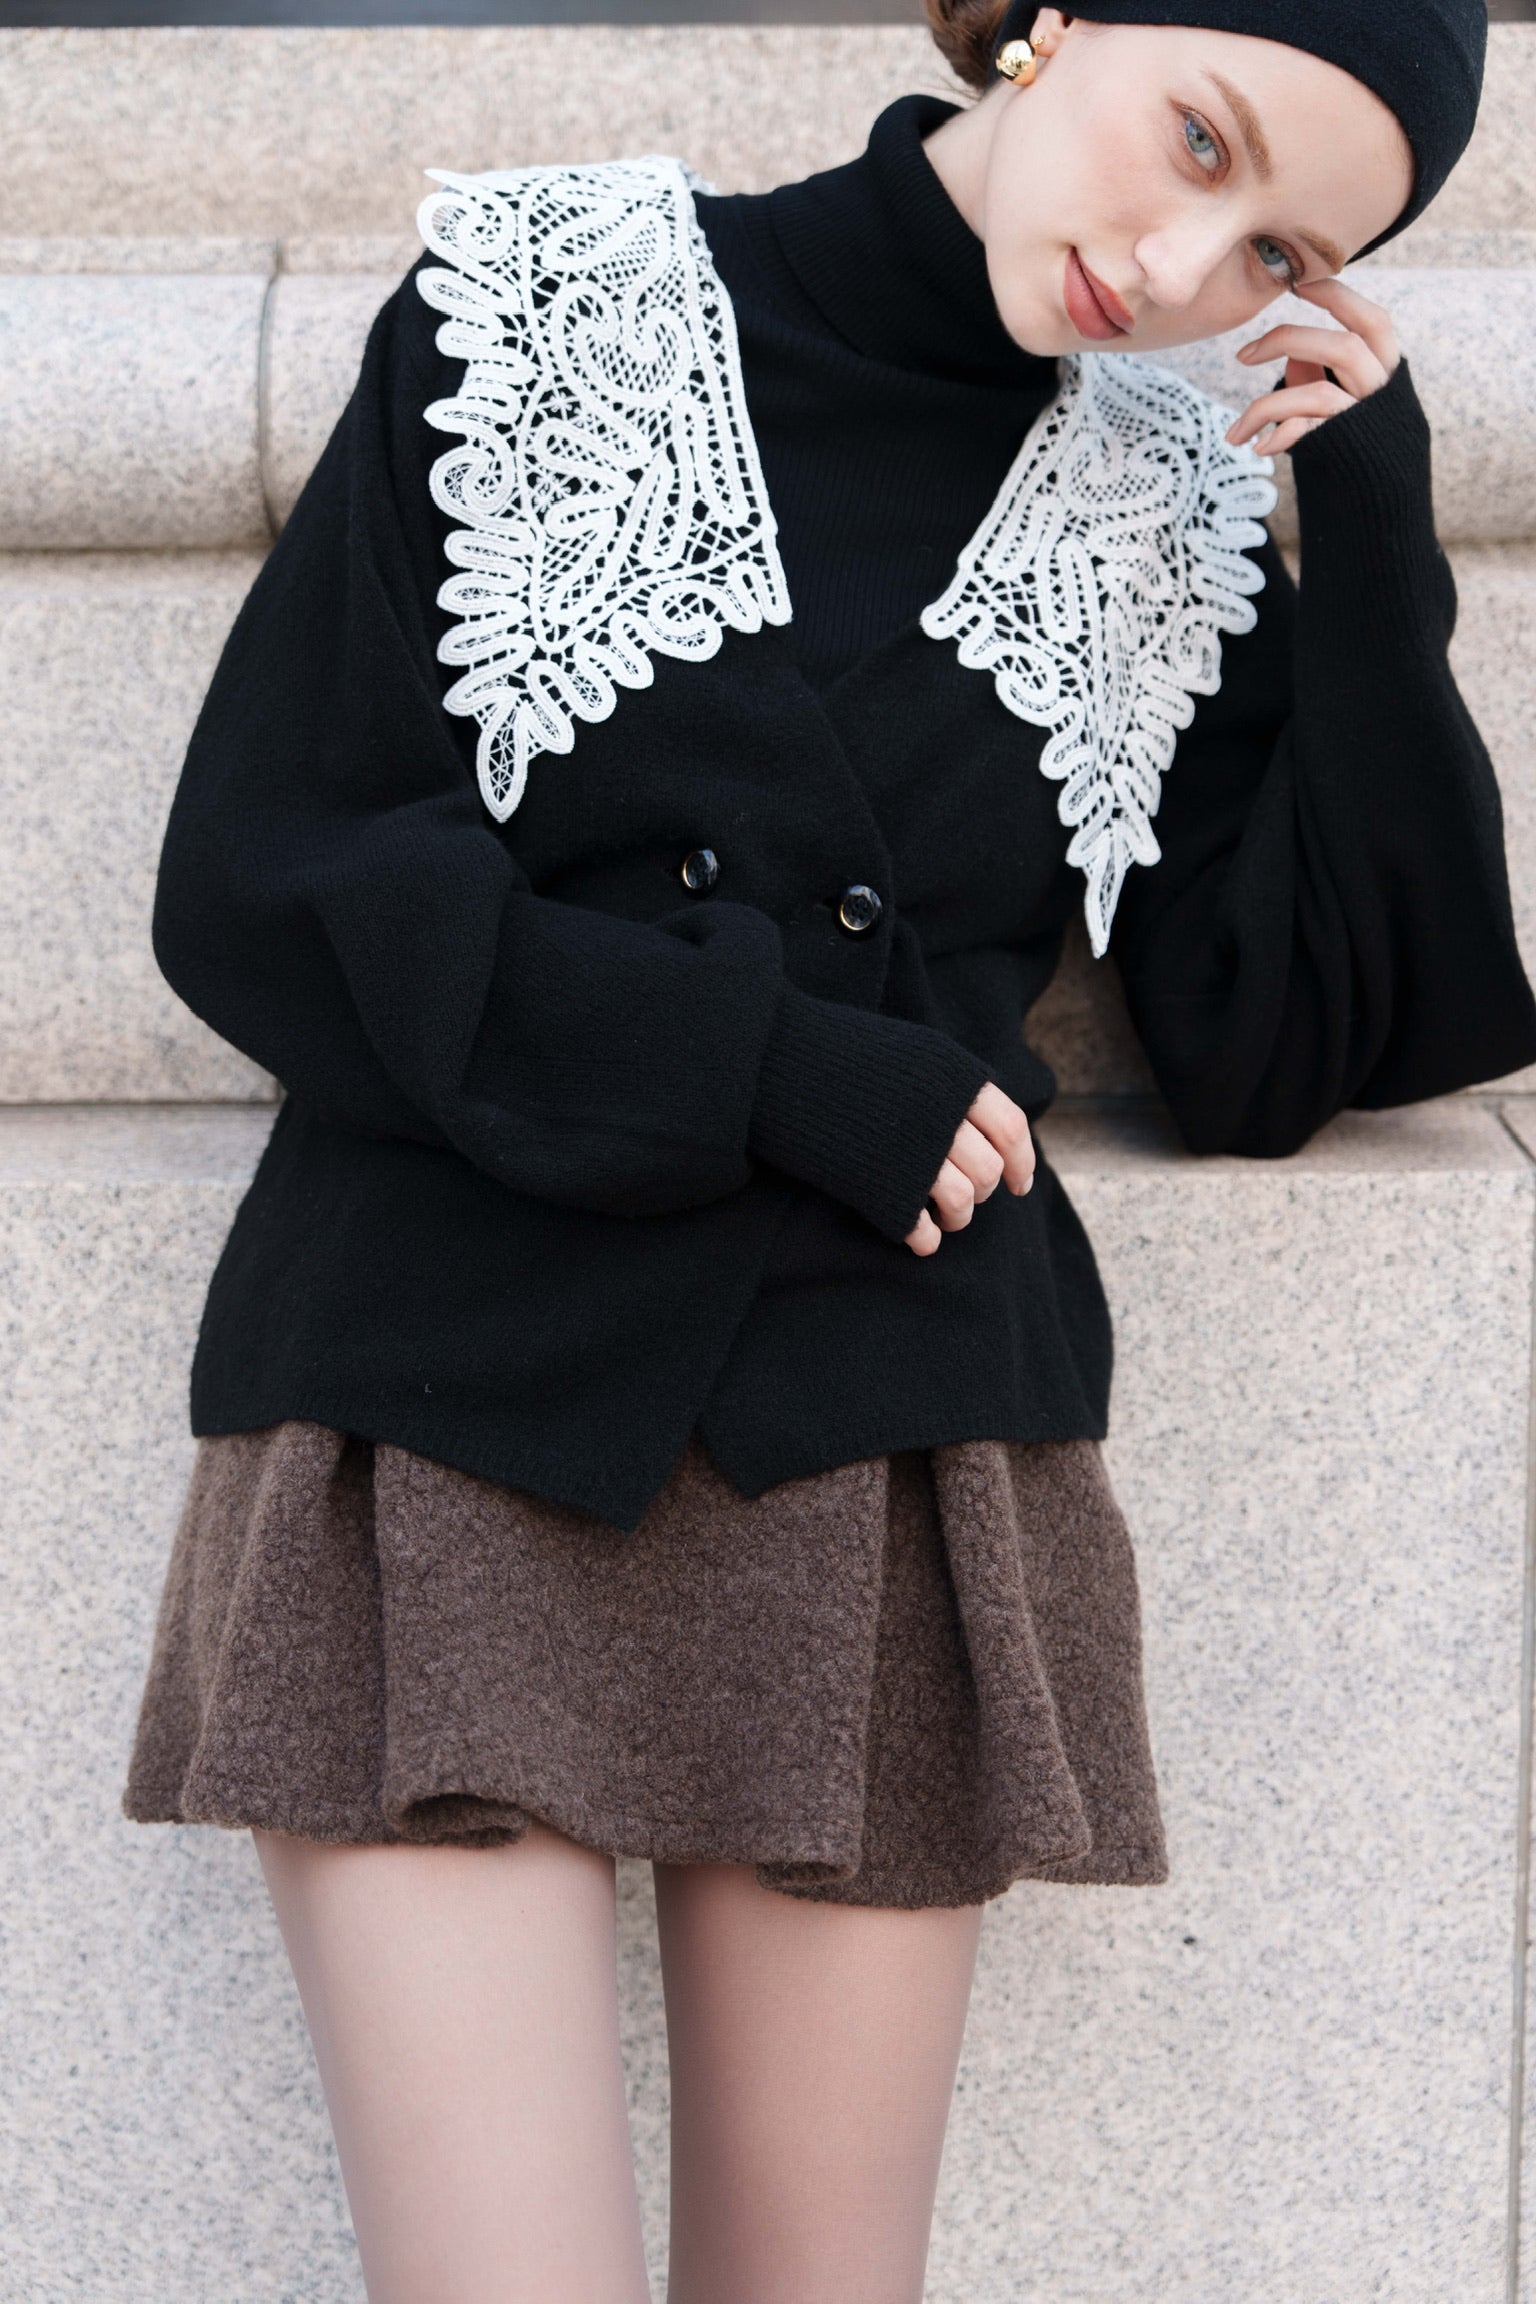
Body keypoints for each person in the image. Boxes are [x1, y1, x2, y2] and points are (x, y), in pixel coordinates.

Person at [124, 1, 1535, 2297]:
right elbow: (268, 875)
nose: (1183, 268)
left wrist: (1366, 515)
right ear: (1050, 22)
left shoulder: (1158, 511)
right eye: (1201, 140)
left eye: (1282, 251)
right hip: (442, 1385)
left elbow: (1300, 1043)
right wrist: (780, 1070)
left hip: (872, 1450)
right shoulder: (552, 300)